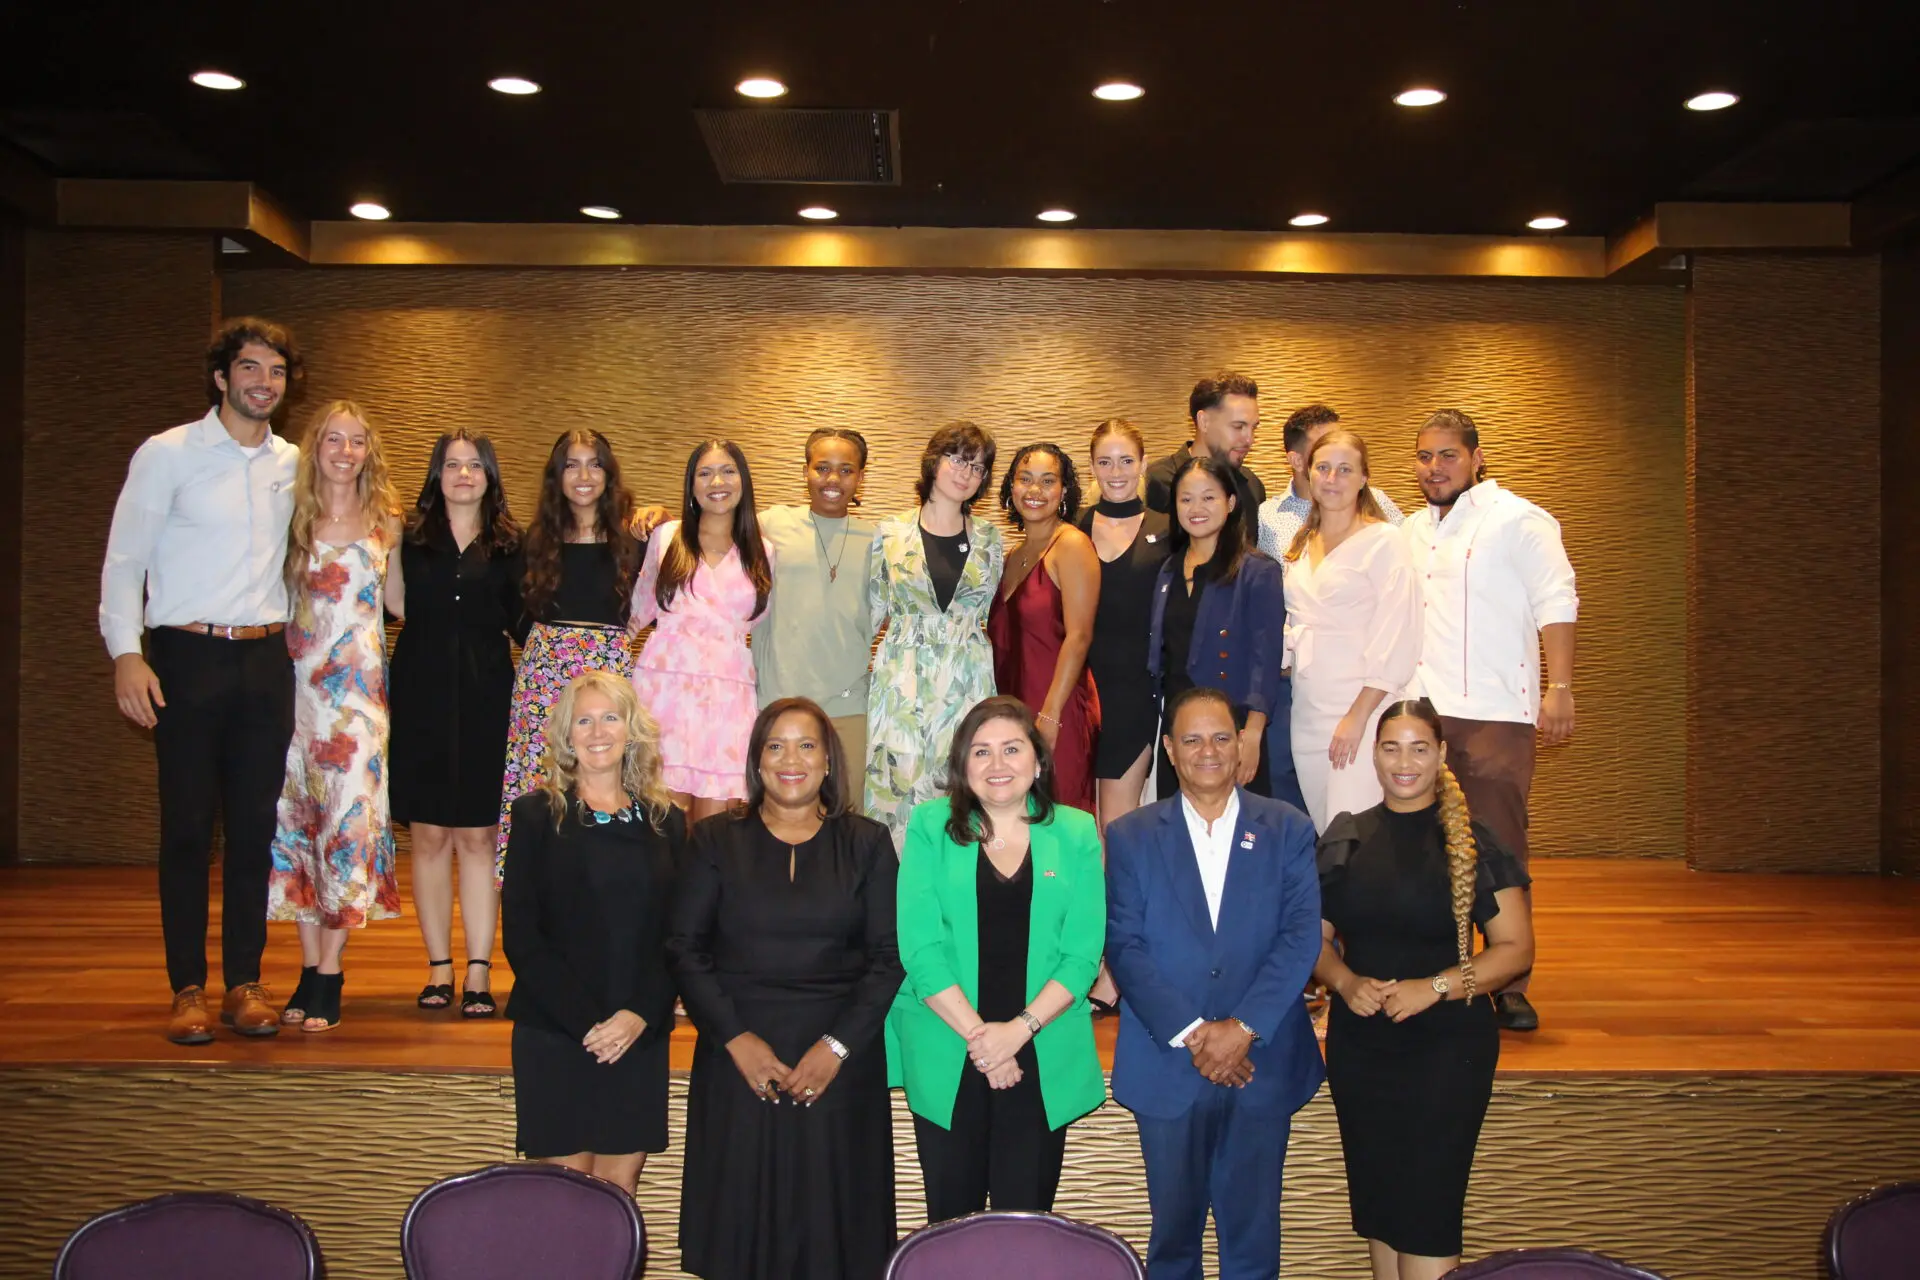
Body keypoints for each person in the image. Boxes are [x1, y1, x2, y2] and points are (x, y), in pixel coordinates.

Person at [101, 317, 302, 1044]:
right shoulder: (167, 456)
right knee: (187, 828)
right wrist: (127, 652)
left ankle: (243, 982)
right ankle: (186, 986)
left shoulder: (293, 463)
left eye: (275, 372)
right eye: (250, 368)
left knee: (254, 830)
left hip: (264, 659)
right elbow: (124, 562)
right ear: (221, 377)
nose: (263, 383)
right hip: (184, 656)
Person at [669, 698, 903, 1280]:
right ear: (756, 761)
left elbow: (888, 958)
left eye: (806, 745)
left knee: (837, 1236)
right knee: (739, 1229)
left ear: (828, 761)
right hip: (739, 1059)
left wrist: (837, 1048)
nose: (790, 759)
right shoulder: (715, 840)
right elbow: (683, 948)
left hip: (839, 1065)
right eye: (775, 745)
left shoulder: (868, 843)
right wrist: (734, 1039)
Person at [1104, 686, 1325, 1280]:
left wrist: (1244, 1027)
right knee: (1172, 1243)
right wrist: (1195, 1032)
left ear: (1241, 747)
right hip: (1168, 1061)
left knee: (1253, 1241)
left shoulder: (1287, 828)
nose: (1209, 750)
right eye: (1193, 739)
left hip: (1263, 1059)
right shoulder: (1130, 836)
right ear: (1170, 751)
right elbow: (1124, 945)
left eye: (1222, 737)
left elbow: (1301, 937)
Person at [1313, 698, 1535, 1279]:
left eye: (1418, 748)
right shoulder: (1348, 836)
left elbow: (1515, 951)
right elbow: (1310, 941)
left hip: (1447, 1049)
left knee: (1427, 1211)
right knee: (1382, 1208)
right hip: (1362, 1049)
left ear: (1440, 755)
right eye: (1391, 748)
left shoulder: (1476, 841)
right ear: (1374, 756)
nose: (1403, 762)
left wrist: (1433, 987)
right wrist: (1344, 980)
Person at [890, 695, 1108, 1222]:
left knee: (1026, 1222)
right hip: (949, 1045)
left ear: (1038, 762)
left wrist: (1018, 1031)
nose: (997, 764)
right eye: (981, 752)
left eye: (1012, 749)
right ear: (963, 766)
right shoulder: (929, 826)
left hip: (1039, 1049)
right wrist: (984, 1041)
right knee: (950, 1221)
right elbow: (919, 948)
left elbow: (1082, 956)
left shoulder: (1077, 832)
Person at [1404, 410, 1577, 1033]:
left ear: (1477, 457)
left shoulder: (1519, 519)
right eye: (1424, 456)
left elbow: (1558, 599)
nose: (1435, 467)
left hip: (1496, 714)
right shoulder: (1412, 530)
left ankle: (1511, 982)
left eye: (1448, 455)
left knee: (1497, 849)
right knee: (1426, 850)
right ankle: (1441, 972)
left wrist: (1559, 688)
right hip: (1422, 714)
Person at [502, 671, 682, 1195]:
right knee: (566, 1198)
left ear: (631, 729)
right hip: (557, 1030)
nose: (597, 730)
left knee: (618, 1193)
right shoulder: (535, 815)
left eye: (610, 717)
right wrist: (589, 1025)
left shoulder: (666, 821)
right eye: (584, 720)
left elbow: (679, 936)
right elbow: (522, 937)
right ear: (566, 734)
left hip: (637, 1032)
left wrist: (638, 1016)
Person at [266, 400, 404, 1032]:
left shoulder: (387, 523)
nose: (345, 451)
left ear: (367, 453)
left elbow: (401, 603)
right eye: (333, 439)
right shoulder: (290, 519)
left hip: (358, 711)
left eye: (356, 441)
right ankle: (305, 967)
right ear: (314, 447)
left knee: (347, 837)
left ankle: (331, 975)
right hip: (295, 703)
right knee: (302, 835)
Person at [387, 429, 522, 1017]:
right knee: (430, 836)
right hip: (420, 690)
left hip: (489, 692)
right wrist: (387, 541)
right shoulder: (408, 538)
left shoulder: (513, 544)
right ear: (436, 475)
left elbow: (527, 622)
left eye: (474, 465)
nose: (463, 474)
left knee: (479, 837)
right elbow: (394, 607)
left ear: (490, 476)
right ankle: (438, 967)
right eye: (451, 464)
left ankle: (478, 970)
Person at [498, 430, 644, 878]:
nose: (584, 475)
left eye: (595, 463)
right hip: (545, 678)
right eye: (571, 464)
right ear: (556, 476)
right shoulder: (533, 542)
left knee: (607, 780)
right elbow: (510, 608)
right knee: (542, 783)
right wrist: (551, 646)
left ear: (609, 473)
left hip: (610, 678)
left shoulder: (636, 540)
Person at [866, 422, 1006, 847]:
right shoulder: (890, 534)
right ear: (933, 461)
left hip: (967, 683)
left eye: (978, 467)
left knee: (965, 791)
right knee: (897, 793)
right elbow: (871, 614)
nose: (966, 472)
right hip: (901, 685)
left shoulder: (990, 539)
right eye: (957, 459)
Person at [1281, 429, 1422, 832]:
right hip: (1308, 709)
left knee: (1359, 833)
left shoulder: (1384, 541)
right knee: (1329, 834)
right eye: (1323, 468)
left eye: (1345, 469)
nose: (1332, 478)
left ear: (1364, 478)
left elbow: (1399, 634)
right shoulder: (1303, 544)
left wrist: (1358, 716)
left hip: (1362, 708)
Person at [630, 439, 775, 821]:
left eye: (728, 471)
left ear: (743, 480)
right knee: (662, 824)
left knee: (715, 829)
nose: (717, 482)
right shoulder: (666, 537)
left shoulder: (764, 550)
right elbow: (636, 611)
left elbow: (759, 619)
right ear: (691, 485)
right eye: (705, 473)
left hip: (727, 695)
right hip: (664, 693)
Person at [1147, 455, 1301, 809]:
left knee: (1241, 828)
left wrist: (1253, 734)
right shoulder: (1168, 570)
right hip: (1177, 727)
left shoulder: (1257, 571)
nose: (1196, 508)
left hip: (1232, 729)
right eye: (1186, 499)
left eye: (1209, 497)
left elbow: (1266, 659)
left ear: (1231, 503)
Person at [754, 429, 880, 809]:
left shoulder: (880, 540)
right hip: (779, 704)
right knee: (776, 819)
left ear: (860, 478)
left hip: (849, 706)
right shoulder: (772, 524)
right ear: (805, 471)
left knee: (847, 819)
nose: (832, 479)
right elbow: (710, 530)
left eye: (846, 470)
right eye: (822, 467)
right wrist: (663, 520)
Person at [988, 442, 1102, 812]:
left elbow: (1080, 636)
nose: (1035, 491)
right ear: (1011, 487)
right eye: (1025, 479)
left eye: (1047, 481)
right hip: (1014, 712)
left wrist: (1050, 715)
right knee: (1019, 821)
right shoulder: (1011, 557)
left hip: (1058, 708)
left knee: (1061, 816)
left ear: (1063, 491)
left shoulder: (1071, 545)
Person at [1077, 419, 1173, 832]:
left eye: (1126, 460)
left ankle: (1118, 900)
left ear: (1143, 463)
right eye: (1105, 462)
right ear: (1092, 468)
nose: (1116, 472)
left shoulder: (1169, 529)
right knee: (1078, 823)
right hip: (1079, 692)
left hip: (1136, 694)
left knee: (1118, 824)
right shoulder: (1072, 528)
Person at [1256, 405, 1404, 567]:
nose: (1337, 450)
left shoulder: (1377, 502)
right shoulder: (1267, 516)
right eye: (1323, 446)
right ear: (1297, 461)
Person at [1145, 373, 1267, 547]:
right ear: (1204, 421)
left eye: (1253, 428)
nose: (1249, 439)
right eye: (1238, 426)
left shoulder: (1252, 486)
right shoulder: (1157, 481)